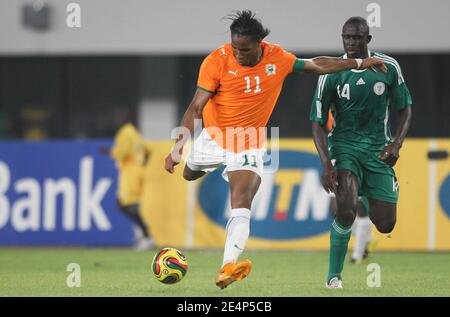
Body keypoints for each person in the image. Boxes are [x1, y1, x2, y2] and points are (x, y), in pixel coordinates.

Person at [165, 10, 386, 289]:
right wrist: (178, 147)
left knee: (241, 202)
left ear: (259, 43)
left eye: (244, 50)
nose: (238, 54)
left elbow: (316, 64)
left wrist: (358, 62)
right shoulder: (216, 61)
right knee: (189, 174)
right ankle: (196, 166)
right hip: (213, 137)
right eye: (235, 48)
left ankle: (228, 266)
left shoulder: (277, 58)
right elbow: (196, 107)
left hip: (248, 141)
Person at [310, 17, 412, 288]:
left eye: (357, 38)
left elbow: (404, 107)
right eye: (347, 37)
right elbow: (318, 122)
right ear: (342, 38)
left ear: (368, 39)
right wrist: (326, 164)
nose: (351, 42)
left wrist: (396, 144)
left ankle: (372, 187)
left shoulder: (388, 67)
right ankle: (334, 277)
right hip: (344, 148)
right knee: (345, 211)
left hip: (378, 150)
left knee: (386, 224)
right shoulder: (331, 72)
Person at [327, 111, 377, 264]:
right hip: (337, 156)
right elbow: (324, 128)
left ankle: (357, 255)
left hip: (360, 156)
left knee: (361, 208)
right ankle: (367, 238)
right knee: (336, 211)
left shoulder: (359, 100)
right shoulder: (327, 103)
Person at [104, 123, 155, 250]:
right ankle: (142, 234)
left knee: (126, 204)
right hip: (138, 171)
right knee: (129, 204)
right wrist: (142, 165)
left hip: (129, 173)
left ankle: (146, 236)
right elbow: (148, 150)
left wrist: (109, 152)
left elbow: (121, 153)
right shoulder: (135, 134)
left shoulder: (125, 133)